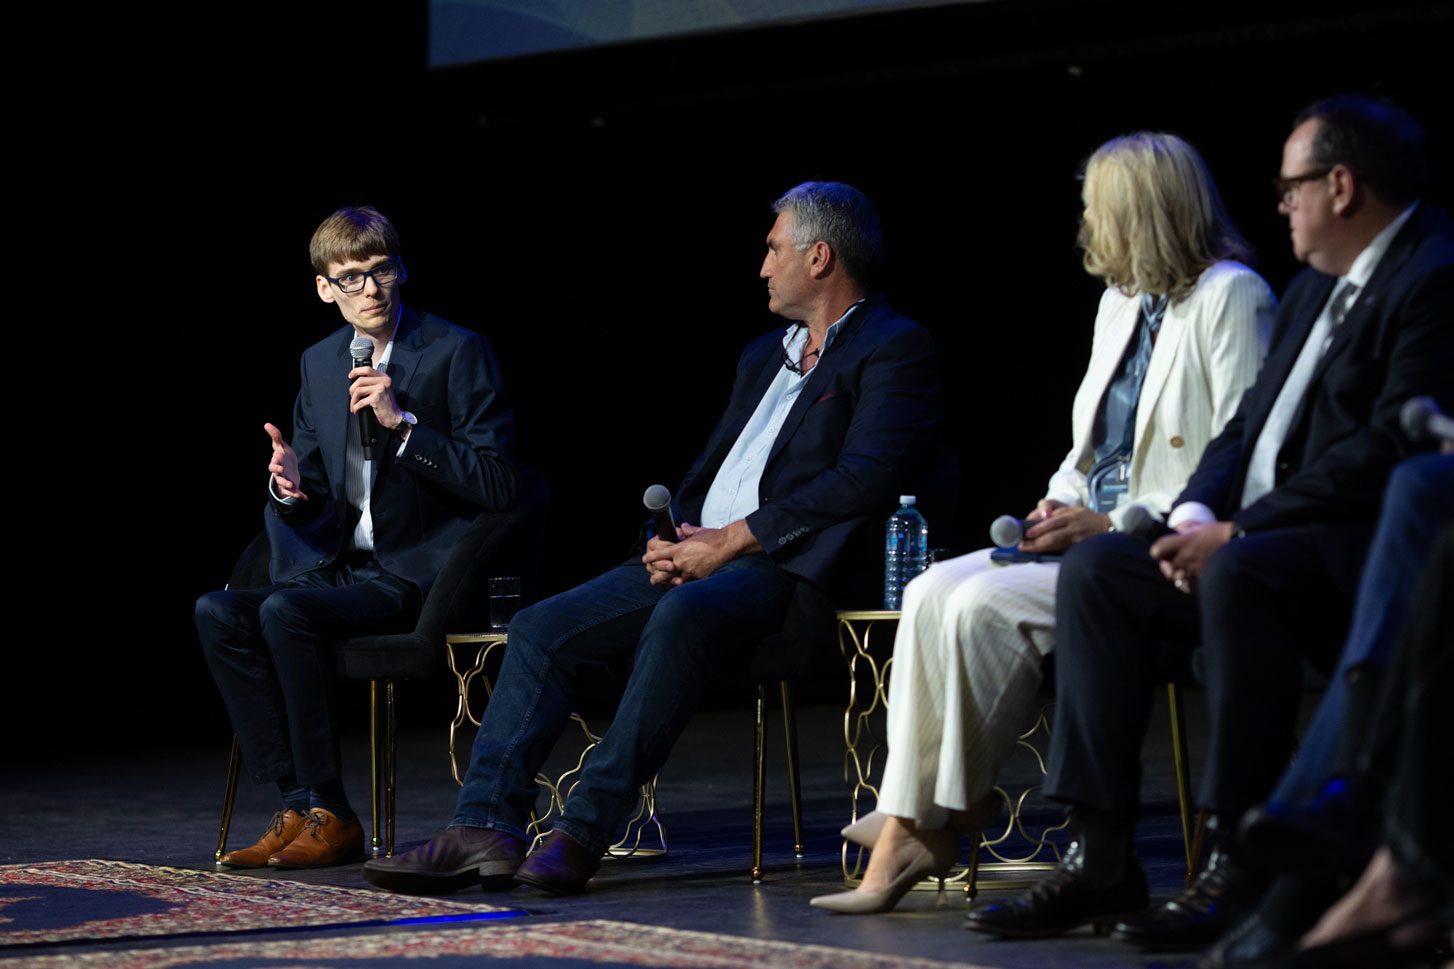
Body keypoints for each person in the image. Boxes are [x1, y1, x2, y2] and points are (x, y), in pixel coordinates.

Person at [965, 94, 1454, 950]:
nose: (1279, 204)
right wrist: (1191, 514)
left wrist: (1241, 529)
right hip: (1256, 542)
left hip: (1353, 560)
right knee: (1102, 572)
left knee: (1239, 569)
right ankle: (1100, 853)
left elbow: (1386, 449)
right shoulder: (1312, 289)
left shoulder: (1431, 277)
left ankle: (1235, 854)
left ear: (1341, 186)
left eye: (1290, 186)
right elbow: (1244, 427)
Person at [362, 181, 943, 897]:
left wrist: (731, 540)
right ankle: (484, 825)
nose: (762, 266)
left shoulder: (893, 346)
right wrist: (669, 538)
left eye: (772, 248)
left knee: (682, 614)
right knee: (541, 627)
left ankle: (581, 831)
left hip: (790, 568)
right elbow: (712, 468)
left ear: (819, 256)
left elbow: (866, 477)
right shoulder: (766, 352)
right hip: (703, 551)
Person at [809, 133, 1274, 915]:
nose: (1089, 225)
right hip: (1088, 532)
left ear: (1141, 212)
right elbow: (1086, 449)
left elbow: (1240, 457)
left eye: (1100, 208)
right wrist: (1053, 508)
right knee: (929, 588)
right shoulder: (1120, 300)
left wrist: (1111, 524)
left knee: (978, 604)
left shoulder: (1232, 295)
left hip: (1160, 550)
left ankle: (920, 823)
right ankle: (928, 814)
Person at [196, 206, 519, 869]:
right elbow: (313, 490)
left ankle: (333, 812)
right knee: (217, 611)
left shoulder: (457, 351)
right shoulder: (319, 363)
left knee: (287, 611)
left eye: (383, 271)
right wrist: (288, 487)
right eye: (352, 278)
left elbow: (501, 484)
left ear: (401, 271)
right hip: (340, 565)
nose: (371, 290)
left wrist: (404, 425)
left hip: (418, 573)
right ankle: (301, 801)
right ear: (324, 287)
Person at [1206, 452, 1454, 968]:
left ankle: (1308, 877)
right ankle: (1300, 861)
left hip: (1339, 527)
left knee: (1421, 493)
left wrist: (1236, 529)